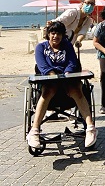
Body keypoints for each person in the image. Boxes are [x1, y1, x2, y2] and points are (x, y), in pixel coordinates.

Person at [26, 21, 97, 149]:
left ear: (63, 35)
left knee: (77, 89)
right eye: (53, 33)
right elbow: (43, 67)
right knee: (47, 90)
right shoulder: (41, 48)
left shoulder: (67, 46)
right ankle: (34, 131)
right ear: (48, 34)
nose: (55, 36)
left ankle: (90, 128)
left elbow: (72, 63)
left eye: (58, 33)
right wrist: (53, 75)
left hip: (67, 81)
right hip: (50, 82)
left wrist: (66, 74)